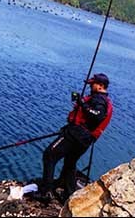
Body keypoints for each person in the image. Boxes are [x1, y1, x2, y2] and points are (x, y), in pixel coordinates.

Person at [31, 73, 113, 203]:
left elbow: (97, 115)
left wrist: (82, 104)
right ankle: (68, 194)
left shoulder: (99, 100)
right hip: (85, 139)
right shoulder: (105, 101)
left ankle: (45, 192)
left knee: (49, 155)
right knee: (70, 163)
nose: (90, 86)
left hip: (77, 135)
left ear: (101, 86)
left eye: (93, 84)